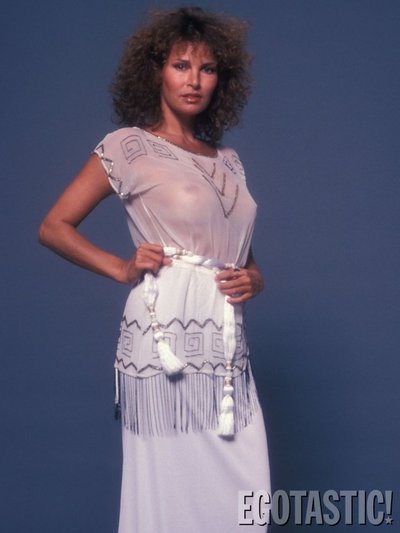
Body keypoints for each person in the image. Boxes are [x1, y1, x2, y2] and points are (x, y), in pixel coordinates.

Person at [39, 6, 270, 532]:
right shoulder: (128, 146)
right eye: (181, 65)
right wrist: (121, 267)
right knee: (168, 486)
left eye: (207, 69)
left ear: (222, 79)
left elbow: (240, 252)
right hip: (164, 336)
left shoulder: (229, 160)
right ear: (156, 71)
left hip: (225, 341)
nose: (194, 80)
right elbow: (54, 226)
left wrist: (254, 278)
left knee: (247, 492)